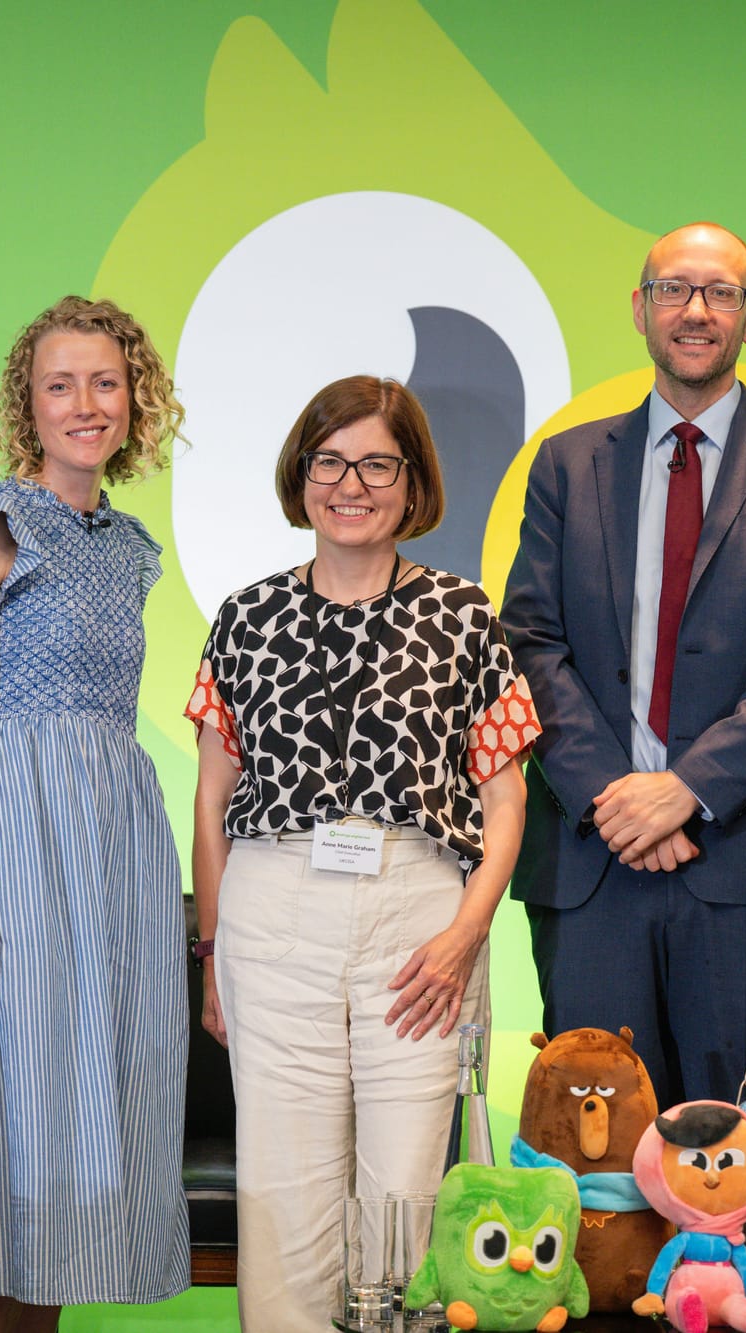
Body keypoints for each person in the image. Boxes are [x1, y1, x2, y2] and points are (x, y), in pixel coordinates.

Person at [187, 375, 540, 1332]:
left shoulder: (464, 615)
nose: (352, 483)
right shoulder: (245, 617)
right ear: (300, 477)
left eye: (377, 462)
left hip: (420, 922)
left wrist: (468, 932)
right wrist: (214, 953)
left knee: (412, 1195)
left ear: (413, 479)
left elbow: (506, 800)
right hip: (273, 914)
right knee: (283, 1198)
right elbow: (213, 798)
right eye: (329, 461)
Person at [499, 222, 746, 1152]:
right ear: (638, 308)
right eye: (673, 289)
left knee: (734, 1171)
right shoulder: (567, 463)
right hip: (594, 863)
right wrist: (615, 797)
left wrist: (686, 791)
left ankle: (742, 1308)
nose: (695, 310)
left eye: (721, 292)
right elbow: (530, 639)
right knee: (596, 1173)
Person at [0, 296, 189, 1331]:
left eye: (103, 382)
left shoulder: (125, 547)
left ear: (132, 398)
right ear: (28, 403)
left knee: (64, 1142)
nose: (83, 402)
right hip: (6, 845)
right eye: (59, 384)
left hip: (107, 849)